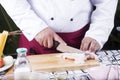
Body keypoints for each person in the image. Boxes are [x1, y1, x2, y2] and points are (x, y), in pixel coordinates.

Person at [0, 0, 118, 55]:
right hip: (36, 38)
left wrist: (96, 34)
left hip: (80, 42)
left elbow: (106, 2)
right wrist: (37, 28)